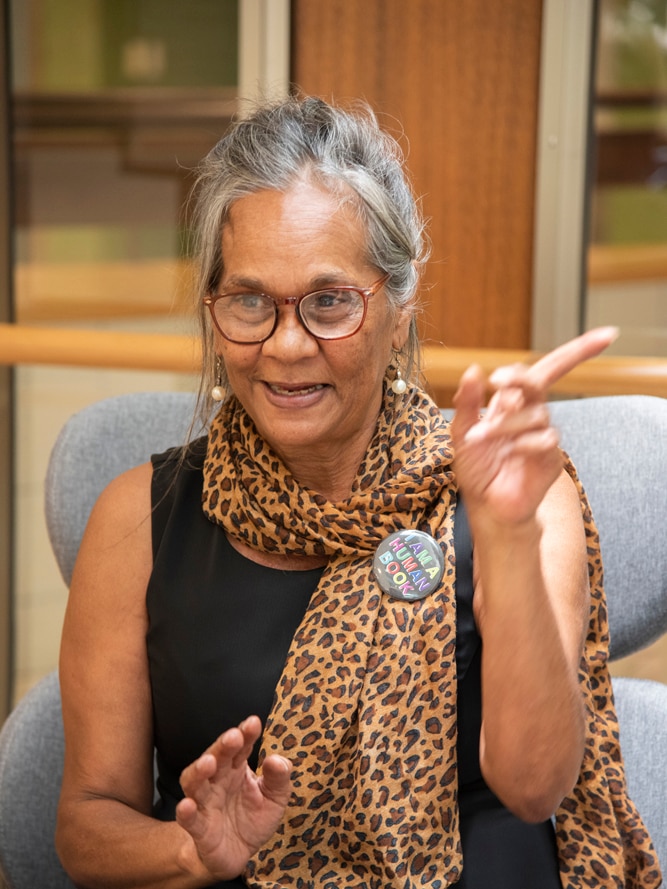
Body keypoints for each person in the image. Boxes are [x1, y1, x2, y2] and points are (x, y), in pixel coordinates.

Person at [55, 96, 662, 889]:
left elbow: (534, 782)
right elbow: (85, 820)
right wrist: (189, 852)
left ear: (400, 302)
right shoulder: (136, 519)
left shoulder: (506, 493)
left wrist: (507, 535)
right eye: (248, 301)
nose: (286, 344)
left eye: (329, 300)